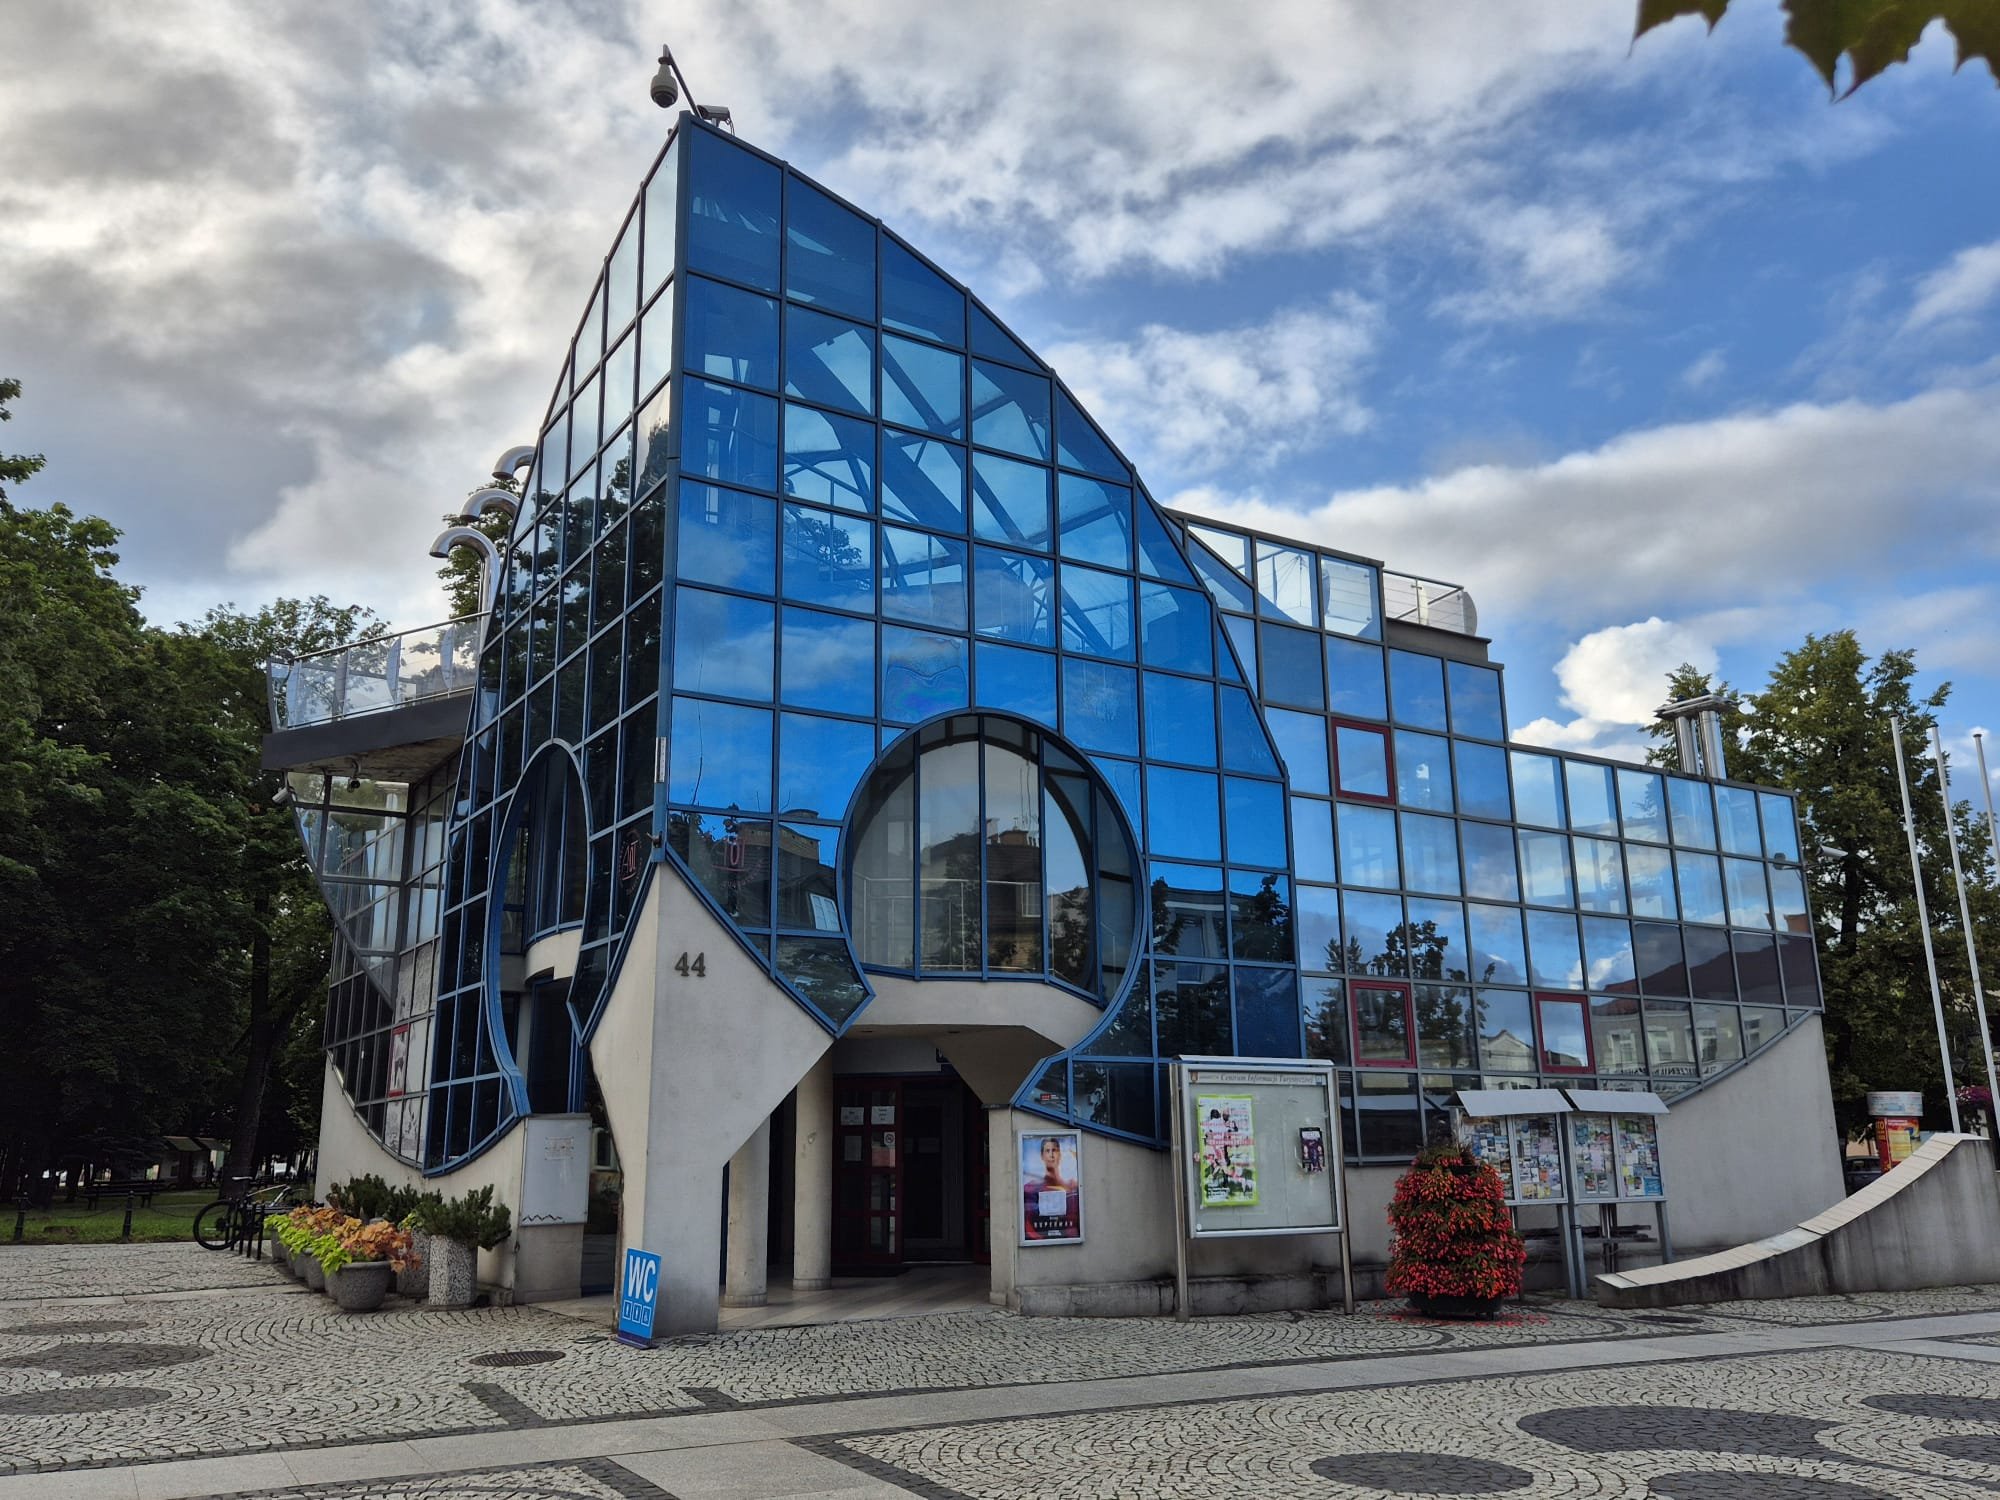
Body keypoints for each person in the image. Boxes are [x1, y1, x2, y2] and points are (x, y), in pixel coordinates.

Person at [1022, 1135, 1080, 1241]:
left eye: (1054, 1150)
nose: (1051, 1155)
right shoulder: (1030, 1188)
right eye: (1047, 1151)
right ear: (1042, 1156)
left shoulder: (1072, 1188)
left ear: (1059, 1155)